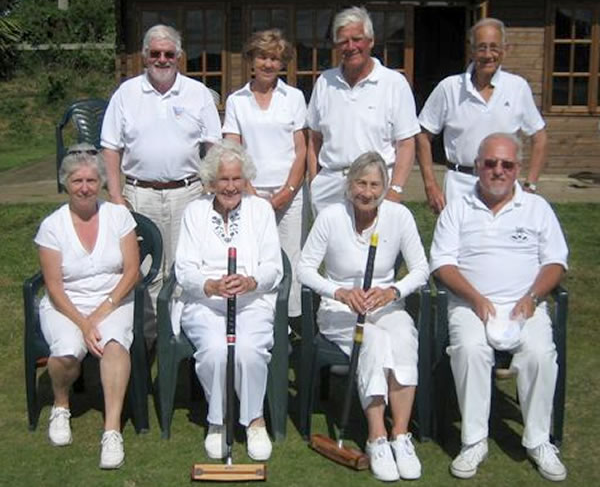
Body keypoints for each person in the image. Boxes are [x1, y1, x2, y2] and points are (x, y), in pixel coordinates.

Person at [430, 133, 568, 481]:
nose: (498, 170)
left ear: (517, 169)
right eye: (490, 163)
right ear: (477, 166)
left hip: (526, 305)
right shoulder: (458, 208)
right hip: (469, 303)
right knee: (471, 349)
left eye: (506, 164)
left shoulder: (537, 208)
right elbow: (442, 263)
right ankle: (474, 440)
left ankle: (538, 440)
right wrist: (474, 297)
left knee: (539, 353)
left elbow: (556, 262)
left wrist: (533, 297)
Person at [297, 151, 429, 482]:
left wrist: (393, 292)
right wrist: (338, 292)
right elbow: (304, 268)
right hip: (339, 308)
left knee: (402, 336)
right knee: (374, 341)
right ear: (348, 183)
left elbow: (421, 269)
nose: (367, 192)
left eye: (374, 185)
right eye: (360, 183)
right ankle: (376, 437)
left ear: (385, 187)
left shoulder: (399, 216)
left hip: (384, 303)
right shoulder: (330, 217)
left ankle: (400, 435)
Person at [101, 24, 222, 341]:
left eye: (169, 54)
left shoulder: (197, 94)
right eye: (155, 53)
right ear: (144, 56)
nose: (162, 59)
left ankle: (183, 335)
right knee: (145, 272)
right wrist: (115, 196)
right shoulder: (126, 94)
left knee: (185, 268)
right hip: (140, 194)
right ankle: (148, 339)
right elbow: (110, 148)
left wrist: (210, 189)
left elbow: (213, 147)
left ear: (179, 57)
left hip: (188, 192)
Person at [175, 140, 283, 462]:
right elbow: (183, 268)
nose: (231, 186)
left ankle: (254, 420)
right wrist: (209, 285)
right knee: (215, 350)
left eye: (237, 179)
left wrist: (251, 281)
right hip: (205, 303)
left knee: (249, 350)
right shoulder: (194, 212)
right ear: (211, 182)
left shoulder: (261, 210)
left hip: (252, 301)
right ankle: (218, 421)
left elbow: (273, 266)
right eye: (224, 179)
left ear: (245, 179)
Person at [34, 144, 140, 469]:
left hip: (114, 298)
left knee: (115, 346)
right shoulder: (52, 226)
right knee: (66, 351)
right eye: (77, 180)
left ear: (101, 183)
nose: (84, 187)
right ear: (66, 183)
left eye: (92, 180)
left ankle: (111, 431)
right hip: (65, 304)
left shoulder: (119, 216)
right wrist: (83, 324)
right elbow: (53, 286)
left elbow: (132, 270)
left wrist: (102, 312)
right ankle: (61, 404)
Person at [416, 17, 548, 213]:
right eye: (482, 47)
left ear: (505, 49)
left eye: (494, 47)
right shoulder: (449, 88)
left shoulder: (517, 88)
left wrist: (531, 185)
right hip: (459, 186)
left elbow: (540, 137)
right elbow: (422, 135)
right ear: (471, 50)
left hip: (503, 186)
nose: (488, 55)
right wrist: (430, 185)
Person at [223, 29, 307, 320]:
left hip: (290, 193)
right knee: (254, 255)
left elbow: (301, 149)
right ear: (251, 60)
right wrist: (249, 191)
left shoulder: (294, 97)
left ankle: (290, 318)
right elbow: (233, 150)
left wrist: (289, 191)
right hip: (250, 193)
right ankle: (257, 314)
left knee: (290, 256)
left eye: (275, 58)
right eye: (262, 57)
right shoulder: (237, 100)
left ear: (282, 63)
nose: (268, 64)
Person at [307, 6, 420, 215]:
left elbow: (405, 144)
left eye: (357, 39)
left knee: (374, 247)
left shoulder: (394, 83)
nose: (350, 47)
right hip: (330, 189)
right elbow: (314, 139)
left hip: (375, 188)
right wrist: (315, 182)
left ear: (371, 41)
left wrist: (395, 190)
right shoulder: (324, 82)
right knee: (329, 248)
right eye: (343, 41)